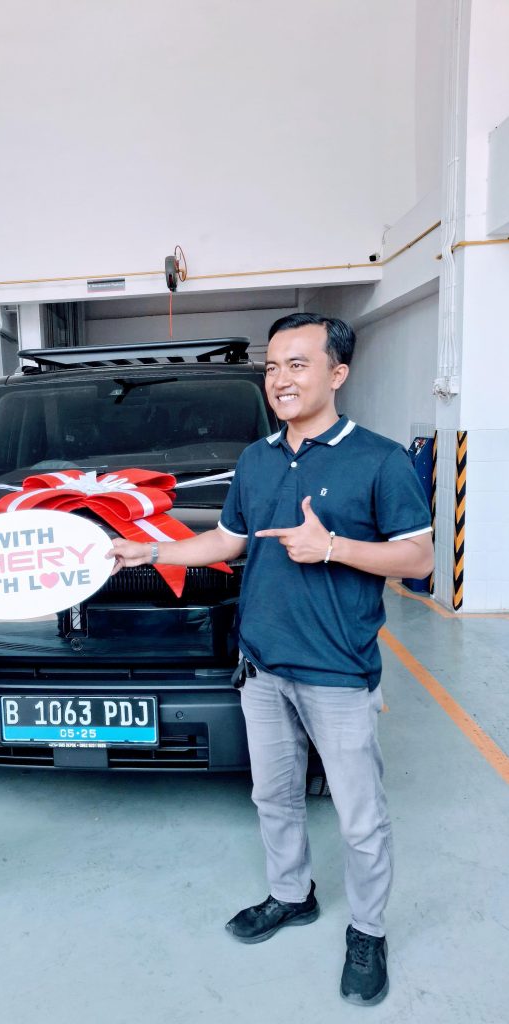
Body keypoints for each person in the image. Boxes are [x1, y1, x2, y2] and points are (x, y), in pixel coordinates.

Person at [110, 313, 433, 1006]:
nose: (280, 379)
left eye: (297, 364)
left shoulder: (380, 460)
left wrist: (332, 547)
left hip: (338, 673)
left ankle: (368, 931)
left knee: (359, 818)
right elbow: (228, 541)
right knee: (273, 797)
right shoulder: (256, 459)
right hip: (261, 668)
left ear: (337, 373)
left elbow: (418, 558)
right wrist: (150, 550)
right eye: (272, 366)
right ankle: (291, 895)